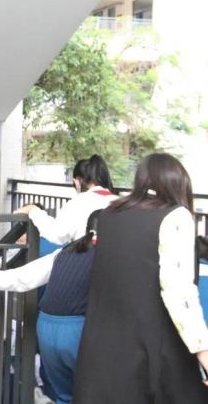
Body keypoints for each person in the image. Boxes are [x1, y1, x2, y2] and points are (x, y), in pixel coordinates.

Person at [73, 153, 208, 403]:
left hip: (102, 351)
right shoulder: (175, 216)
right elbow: (177, 291)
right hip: (151, 355)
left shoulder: (110, 214)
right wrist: (203, 350)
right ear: (180, 183)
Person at [0, 211, 102, 404]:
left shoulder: (64, 252)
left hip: (46, 326)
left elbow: (27, 275)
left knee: (64, 395)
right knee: (93, 392)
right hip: (75, 330)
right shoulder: (108, 258)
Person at [14, 155, 116, 245]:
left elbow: (56, 234)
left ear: (77, 182)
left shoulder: (78, 202)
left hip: (84, 258)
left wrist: (33, 209)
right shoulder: (119, 202)